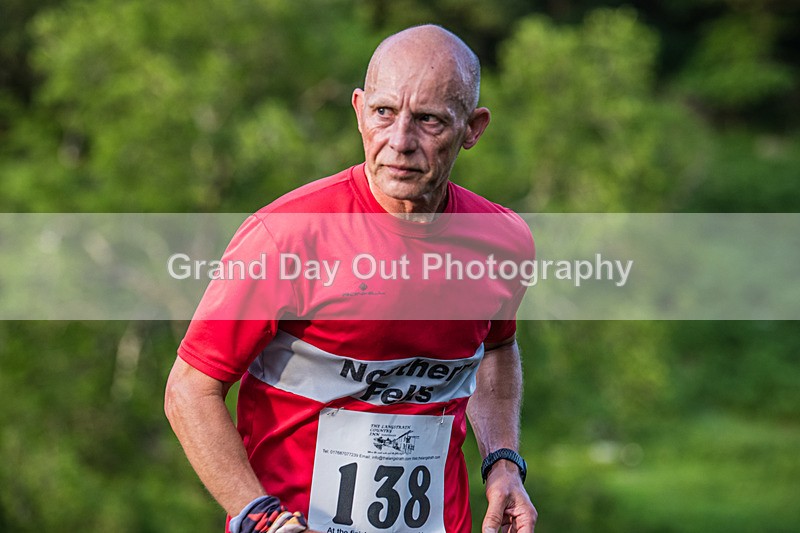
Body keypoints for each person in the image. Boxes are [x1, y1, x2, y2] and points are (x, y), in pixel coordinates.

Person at [165, 24, 537, 533]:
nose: (400, 142)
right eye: (384, 113)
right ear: (360, 109)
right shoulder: (288, 235)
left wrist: (502, 463)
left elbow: (494, 351)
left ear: (472, 128)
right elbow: (190, 390)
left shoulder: (502, 239)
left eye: (428, 120)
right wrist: (261, 518)